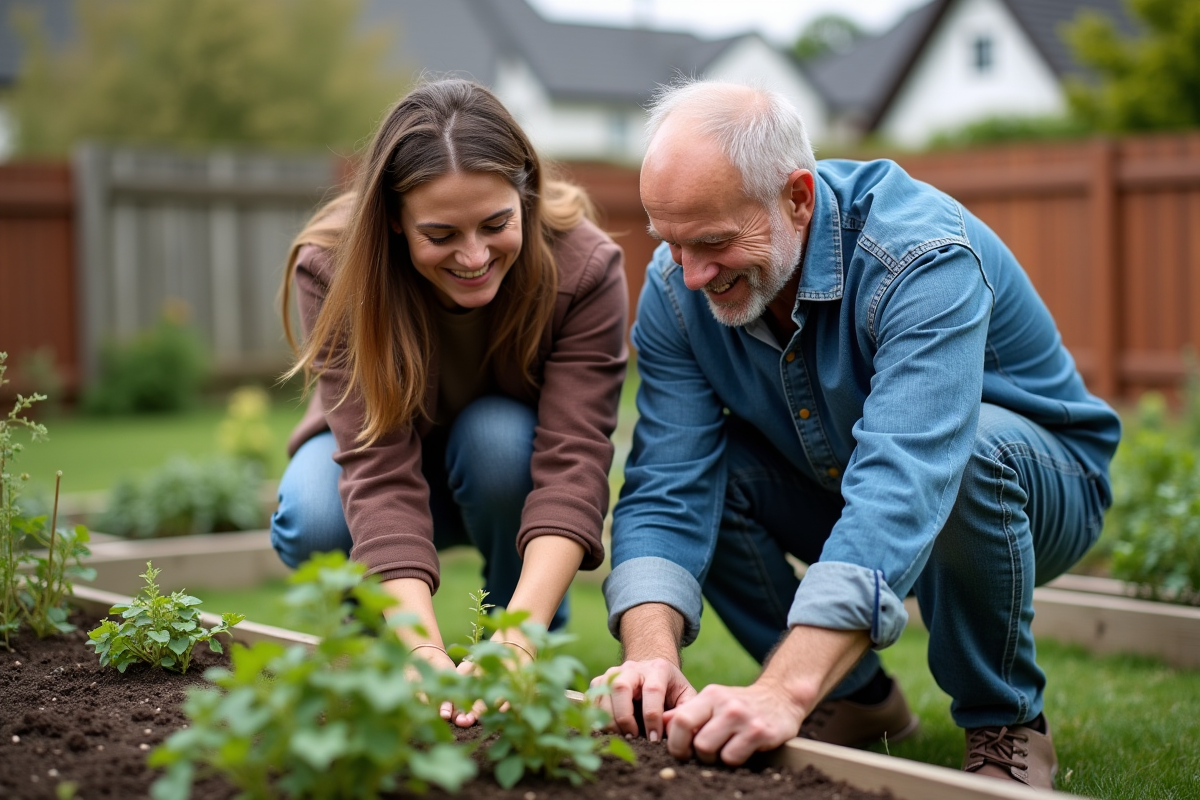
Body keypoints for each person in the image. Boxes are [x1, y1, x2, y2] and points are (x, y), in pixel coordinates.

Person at [593, 79, 1120, 790]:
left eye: (714, 242)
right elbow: (666, 482)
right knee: (718, 473)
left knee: (967, 458)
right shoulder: (674, 291)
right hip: (838, 480)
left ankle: (1005, 720)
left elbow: (910, 475)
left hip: (1035, 490)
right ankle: (859, 698)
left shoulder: (920, 258)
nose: (690, 275)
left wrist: (783, 692)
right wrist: (650, 652)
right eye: (671, 244)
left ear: (798, 198)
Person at [271, 78, 628, 725]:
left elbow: (574, 461)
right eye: (440, 234)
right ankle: (384, 661)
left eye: (496, 225)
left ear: (525, 193)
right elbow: (376, 467)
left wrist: (516, 639)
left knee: (497, 438)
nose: (473, 256)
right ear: (394, 222)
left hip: (501, 473)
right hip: (373, 470)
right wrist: (423, 649)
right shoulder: (332, 265)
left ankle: (529, 648)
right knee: (314, 512)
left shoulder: (584, 268)